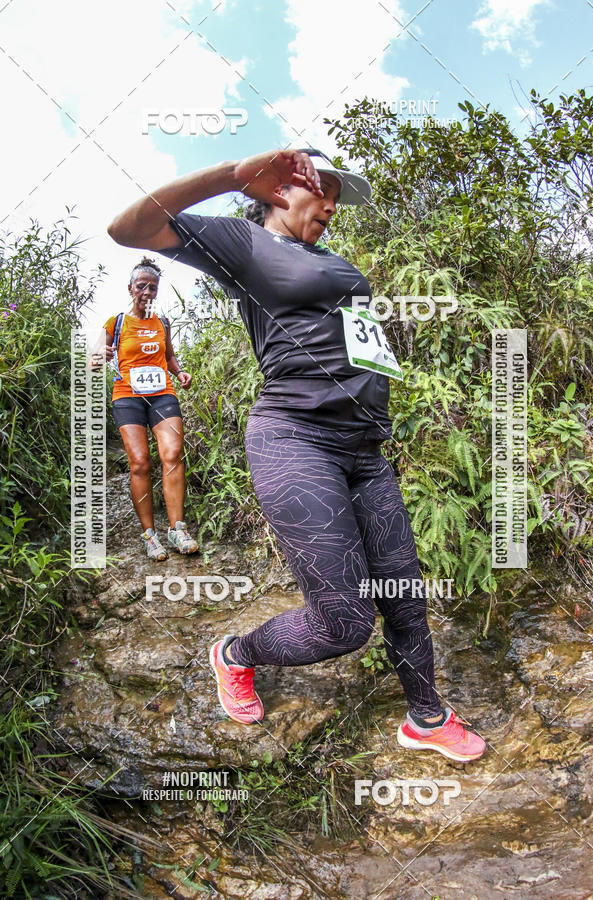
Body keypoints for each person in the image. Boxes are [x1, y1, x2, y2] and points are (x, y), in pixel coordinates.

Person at [106, 148, 486, 762]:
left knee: (405, 595)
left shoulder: (328, 258)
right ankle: (236, 654)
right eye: (323, 190)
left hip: (364, 450)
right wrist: (232, 175)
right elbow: (129, 228)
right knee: (345, 622)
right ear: (280, 188)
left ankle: (426, 717)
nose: (333, 206)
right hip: (296, 441)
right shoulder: (245, 244)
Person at [89, 257, 199, 560]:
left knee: (173, 453)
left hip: (162, 393)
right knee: (139, 463)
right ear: (130, 288)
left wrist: (179, 373)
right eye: (142, 286)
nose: (148, 291)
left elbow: (170, 356)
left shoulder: (162, 323)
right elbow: (94, 359)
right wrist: (100, 356)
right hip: (127, 396)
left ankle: (178, 528)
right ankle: (149, 535)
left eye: (153, 287)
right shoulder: (116, 323)